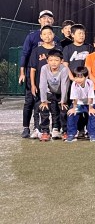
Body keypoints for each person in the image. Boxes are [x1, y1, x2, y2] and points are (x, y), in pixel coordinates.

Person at [19, 10, 55, 139]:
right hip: (33, 75)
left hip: (50, 78)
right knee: (30, 102)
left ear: (52, 21)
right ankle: (26, 128)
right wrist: (22, 73)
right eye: (43, 18)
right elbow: (24, 54)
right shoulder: (32, 36)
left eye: (49, 18)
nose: (46, 20)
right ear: (39, 20)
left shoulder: (55, 39)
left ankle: (48, 128)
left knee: (47, 102)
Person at [28, 25, 60, 139]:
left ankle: (55, 128)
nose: (47, 36)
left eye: (49, 33)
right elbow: (32, 69)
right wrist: (33, 84)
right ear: (41, 36)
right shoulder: (36, 51)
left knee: (55, 108)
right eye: (45, 34)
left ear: (53, 35)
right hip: (40, 85)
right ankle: (38, 129)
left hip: (55, 85)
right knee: (39, 107)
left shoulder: (58, 49)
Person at [38, 49, 69, 141]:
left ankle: (65, 131)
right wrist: (44, 101)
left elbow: (64, 85)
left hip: (62, 93)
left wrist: (63, 100)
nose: (53, 62)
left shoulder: (64, 69)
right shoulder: (44, 68)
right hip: (50, 92)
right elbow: (42, 85)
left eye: (56, 60)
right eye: (51, 60)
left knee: (63, 109)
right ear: (47, 61)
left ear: (61, 61)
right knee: (44, 108)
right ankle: (45, 131)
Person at [66, 66, 95, 142]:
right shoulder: (74, 84)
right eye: (76, 77)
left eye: (81, 77)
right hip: (78, 103)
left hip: (90, 103)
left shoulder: (90, 83)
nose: (78, 80)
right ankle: (71, 134)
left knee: (93, 114)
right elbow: (74, 98)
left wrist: (90, 108)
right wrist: (74, 109)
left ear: (86, 77)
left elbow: (90, 97)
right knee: (71, 114)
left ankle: (93, 134)